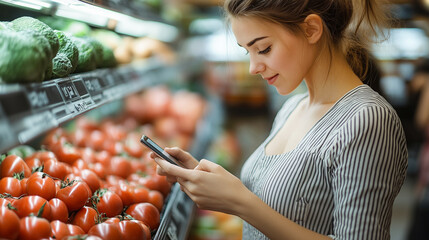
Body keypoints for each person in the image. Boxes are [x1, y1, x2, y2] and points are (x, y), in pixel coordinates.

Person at [151, 0, 408, 239]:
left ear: (311, 29)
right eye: (247, 52)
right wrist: (211, 184)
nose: (253, 67)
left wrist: (240, 202)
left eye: (264, 48)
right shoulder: (292, 108)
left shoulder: (368, 119)